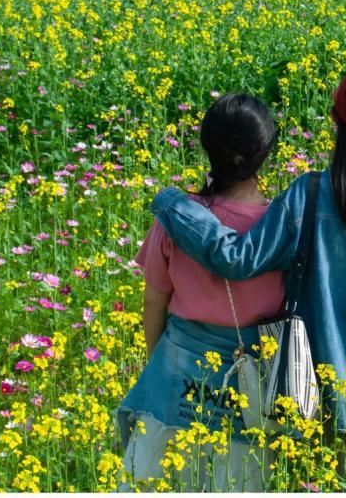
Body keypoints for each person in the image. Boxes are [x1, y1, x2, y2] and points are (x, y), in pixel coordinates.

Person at [149, 66, 346, 491]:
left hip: (341, 396)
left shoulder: (309, 196)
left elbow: (236, 259)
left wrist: (172, 203)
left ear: (335, 122)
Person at [115, 93, 283, 492]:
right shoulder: (280, 227)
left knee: (157, 479)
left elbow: (154, 300)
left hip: (176, 370)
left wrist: (157, 361)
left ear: (207, 147)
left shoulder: (178, 219)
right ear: (266, 153)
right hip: (252, 386)